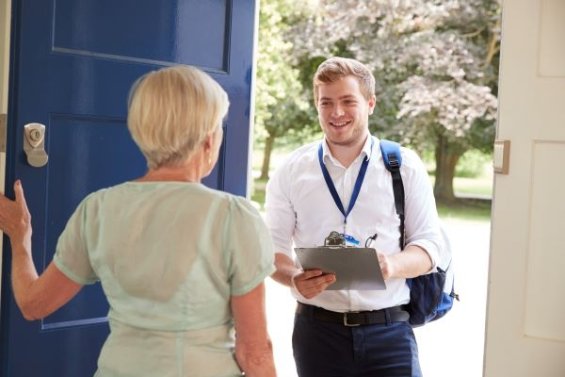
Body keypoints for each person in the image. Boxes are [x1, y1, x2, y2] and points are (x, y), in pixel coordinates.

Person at [0, 65, 277, 377]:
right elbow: (255, 352)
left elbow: (33, 304)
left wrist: (19, 236)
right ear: (209, 140)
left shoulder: (98, 209)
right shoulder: (235, 217)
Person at [265, 57, 443, 377]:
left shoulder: (404, 166)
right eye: (326, 103)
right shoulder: (291, 171)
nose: (336, 113)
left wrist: (392, 266)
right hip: (317, 334)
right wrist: (293, 278)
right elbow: (271, 252)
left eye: (348, 101)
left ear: (370, 103)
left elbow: (430, 247)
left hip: (389, 332)